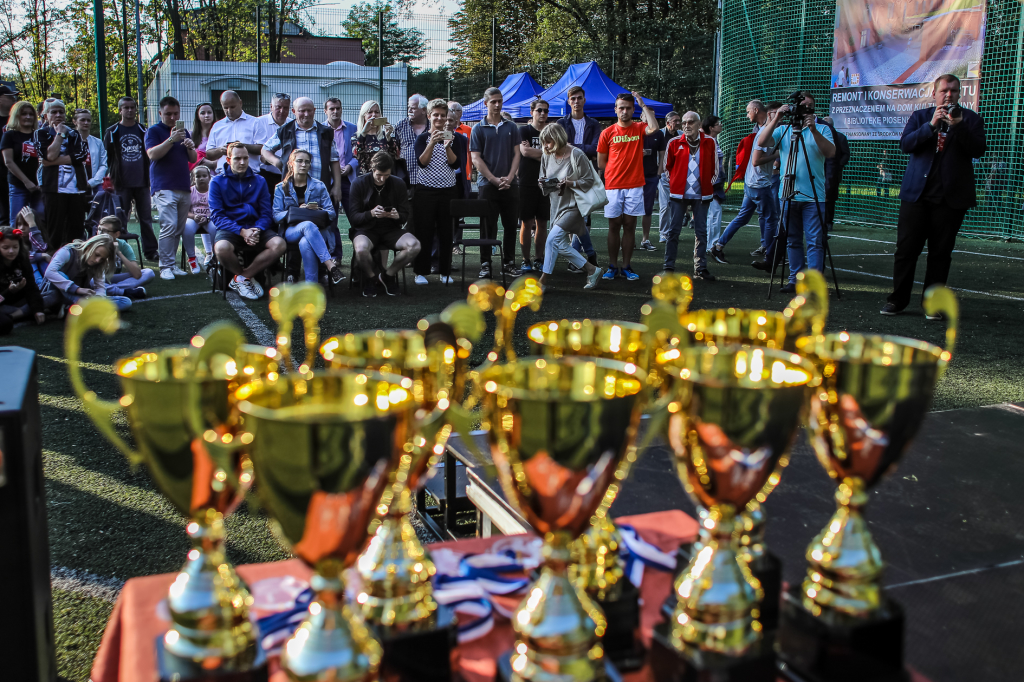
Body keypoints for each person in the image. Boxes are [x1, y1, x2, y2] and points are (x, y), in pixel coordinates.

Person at [881, 74, 986, 317]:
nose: (949, 95)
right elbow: (906, 145)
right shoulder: (920, 116)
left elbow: (978, 149)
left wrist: (958, 126)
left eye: (954, 91)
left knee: (940, 253)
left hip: (950, 199)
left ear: (960, 94)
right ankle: (897, 300)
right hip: (916, 196)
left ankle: (932, 305)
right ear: (934, 94)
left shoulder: (970, 119)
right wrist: (930, 126)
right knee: (906, 250)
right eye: (944, 91)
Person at [753, 90, 835, 294]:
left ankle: (814, 284)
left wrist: (813, 129)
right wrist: (776, 119)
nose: (802, 110)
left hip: (814, 195)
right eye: (800, 107)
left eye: (806, 106)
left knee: (815, 241)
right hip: (788, 193)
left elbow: (831, 153)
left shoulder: (823, 129)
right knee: (792, 240)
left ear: (813, 107)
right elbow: (762, 142)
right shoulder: (785, 129)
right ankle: (795, 279)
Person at [261, 97, 343, 270]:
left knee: (323, 225)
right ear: (294, 112)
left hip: (320, 190)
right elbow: (265, 150)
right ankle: (293, 271)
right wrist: (278, 163)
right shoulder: (285, 131)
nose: (305, 114)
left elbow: (334, 160)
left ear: (315, 110)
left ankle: (321, 271)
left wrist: (336, 186)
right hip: (294, 190)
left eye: (309, 110)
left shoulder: (325, 132)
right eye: (301, 111)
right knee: (294, 225)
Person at [209, 142, 286, 300]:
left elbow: (266, 212)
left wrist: (257, 229)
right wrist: (242, 231)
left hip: (255, 227)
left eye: (245, 158)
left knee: (279, 244)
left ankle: (242, 278)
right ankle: (244, 278)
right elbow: (217, 216)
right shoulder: (216, 182)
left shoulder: (260, 181)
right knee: (221, 248)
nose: (243, 162)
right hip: (231, 228)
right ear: (228, 160)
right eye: (238, 159)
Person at [597, 91, 659, 281]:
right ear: (615, 110)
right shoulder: (607, 133)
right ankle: (612, 266)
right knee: (614, 225)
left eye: (628, 108)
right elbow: (601, 163)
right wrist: (616, 174)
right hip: (614, 186)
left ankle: (626, 266)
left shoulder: (640, 127)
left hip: (635, 186)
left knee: (630, 225)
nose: (624, 111)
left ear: (633, 110)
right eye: (621, 108)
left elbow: (655, 128)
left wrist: (642, 102)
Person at [537, 122, 603, 290]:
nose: (545, 145)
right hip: (556, 205)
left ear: (558, 138)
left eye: (548, 141)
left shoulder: (576, 154)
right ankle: (592, 270)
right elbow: (542, 179)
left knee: (551, 240)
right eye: (544, 141)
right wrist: (544, 183)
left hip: (574, 206)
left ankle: (543, 281)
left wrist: (570, 182)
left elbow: (589, 181)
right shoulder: (546, 154)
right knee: (560, 244)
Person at [711, 100, 778, 265]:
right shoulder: (765, 131)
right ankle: (771, 256)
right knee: (771, 219)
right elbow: (756, 161)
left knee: (744, 217)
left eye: (748, 111)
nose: (747, 114)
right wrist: (777, 156)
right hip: (759, 184)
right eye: (777, 113)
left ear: (757, 110)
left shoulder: (762, 129)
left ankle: (718, 246)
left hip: (751, 183)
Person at [348, 152, 419, 297]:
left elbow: (405, 215)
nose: (382, 179)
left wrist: (397, 215)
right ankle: (371, 278)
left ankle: (387, 276)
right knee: (361, 249)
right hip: (366, 229)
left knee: (415, 245)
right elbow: (354, 218)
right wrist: (371, 213)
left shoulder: (398, 183)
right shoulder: (358, 183)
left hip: (390, 229)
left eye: (386, 175)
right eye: (379, 175)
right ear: (372, 169)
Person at [272, 149, 344, 285]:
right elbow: (276, 215)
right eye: (299, 161)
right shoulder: (281, 188)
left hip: (318, 232)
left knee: (305, 242)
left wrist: (316, 210)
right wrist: (297, 212)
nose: (303, 165)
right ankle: (330, 266)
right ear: (291, 163)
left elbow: (331, 213)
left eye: (307, 162)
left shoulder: (319, 186)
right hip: (291, 231)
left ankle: (311, 287)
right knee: (308, 225)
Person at [664, 110, 721, 279]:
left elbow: (715, 169)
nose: (686, 126)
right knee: (673, 231)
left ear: (698, 124)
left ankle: (700, 268)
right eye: (684, 123)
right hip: (678, 195)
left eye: (690, 122)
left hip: (702, 195)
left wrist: (705, 186)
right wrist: (676, 184)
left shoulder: (710, 142)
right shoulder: (674, 143)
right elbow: (668, 168)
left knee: (701, 232)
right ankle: (668, 267)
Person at [471, 87, 521, 279]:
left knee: (510, 226)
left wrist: (510, 177)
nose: (497, 104)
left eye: (500, 100)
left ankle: (508, 263)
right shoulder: (478, 128)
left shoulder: (511, 127)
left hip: (510, 185)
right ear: (486, 104)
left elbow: (517, 154)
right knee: (487, 226)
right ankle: (485, 264)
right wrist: (493, 179)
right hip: (487, 185)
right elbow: (476, 158)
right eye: (493, 101)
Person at [145, 96, 197, 279]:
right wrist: (171, 139)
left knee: (178, 228)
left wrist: (191, 147)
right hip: (164, 186)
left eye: (176, 113)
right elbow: (152, 154)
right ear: (160, 113)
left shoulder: (184, 132)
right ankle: (165, 266)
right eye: (168, 114)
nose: (173, 118)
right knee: (169, 225)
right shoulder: (154, 131)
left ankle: (172, 265)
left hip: (183, 186)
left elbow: (192, 159)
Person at [412, 99, 461, 285]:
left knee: (446, 233)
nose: (439, 118)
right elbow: (421, 163)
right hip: (425, 191)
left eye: (443, 115)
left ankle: (445, 271)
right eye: (436, 115)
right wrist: (431, 143)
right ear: (429, 116)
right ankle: (420, 272)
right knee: (423, 232)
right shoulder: (422, 138)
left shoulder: (452, 137)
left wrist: (447, 146)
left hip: (448, 191)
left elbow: (455, 164)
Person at [103, 96, 156, 260]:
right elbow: (108, 156)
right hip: (121, 184)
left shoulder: (143, 130)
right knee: (120, 221)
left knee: (146, 219)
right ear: (120, 110)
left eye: (132, 107)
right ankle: (118, 254)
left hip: (142, 183)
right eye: (126, 108)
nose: (130, 110)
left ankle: (151, 252)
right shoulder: (112, 132)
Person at [556, 86, 601, 268]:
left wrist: (573, 147)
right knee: (569, 213)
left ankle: (577, 256)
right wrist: (582, 147)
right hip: (565, 171)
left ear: (584, 100)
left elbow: (595, 148)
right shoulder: (560, 123)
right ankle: (587, 254)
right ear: (569, 101)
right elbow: (560, 147)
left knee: (584, 213)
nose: (576, 101)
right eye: (573, 98)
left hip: (587, 171)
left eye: (579, 98)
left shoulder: (594, 123)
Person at [39, 100, 90, 250]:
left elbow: (80, 156)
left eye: (61, 112)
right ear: (46, 115)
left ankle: (76, 264)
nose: (58, 115)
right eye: (53, 112)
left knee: (76, 230)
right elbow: (48, 156)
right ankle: (52, 264)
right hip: (53, 189)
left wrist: (51, 161)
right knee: (55, 230)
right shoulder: (41, 133)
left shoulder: (75, 134)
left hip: (76, 189)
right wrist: (60, 135)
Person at [43, 233, 132, 312]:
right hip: (57, 293)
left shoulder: (99, 264)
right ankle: (83, 307)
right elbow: (49, 272)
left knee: (125, 302)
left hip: (82, 297)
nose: (98, 260)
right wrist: (77, 289)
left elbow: (100, 287)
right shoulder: (68, 251)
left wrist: (98, 298)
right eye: (97, 255)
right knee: (61, 274)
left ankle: (81, 308)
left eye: (102, 259)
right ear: (89, 246)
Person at [517, 99, 549, 272]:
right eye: (539, 110)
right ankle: (525, 259)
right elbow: (525, 151)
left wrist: (537, 154)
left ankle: (539, 258)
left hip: (546, 182)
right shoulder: (524, 130)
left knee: (543, 223)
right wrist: (546, 152)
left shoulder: (551, 131)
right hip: (527, 181)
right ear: (532, 112)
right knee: (526, 223)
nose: (542, 114)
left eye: (545, 111)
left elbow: (556, 154)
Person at [0, 224, 50, 335]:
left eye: (15, 247)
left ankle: (26, 313)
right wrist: (9, 291)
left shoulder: (23, 260)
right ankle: (18, 315)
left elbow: (31, 286)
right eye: (5, 248)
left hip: (20, 302)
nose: (11, 251)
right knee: (5, 323)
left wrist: (37, 310)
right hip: (3, 304)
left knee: (50, 297)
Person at [2, 100, 45, 219]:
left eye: (31, 114)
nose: (28, 117)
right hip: (18, 185)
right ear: (16, 116)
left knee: (40, 219)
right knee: (17, 220)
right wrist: (27, 182)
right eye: (24, 114)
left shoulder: (39, 135)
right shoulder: (9, 135)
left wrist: (40, 182)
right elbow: (8, 162)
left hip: (39, 186)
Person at [94, 215, 153, 299]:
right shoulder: (92, 244)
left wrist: (119, 253)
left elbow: (137, 274)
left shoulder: (123, 245)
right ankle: (124, 291)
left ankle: (110, 289)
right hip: (99, 279)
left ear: (116, 234)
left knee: (148, 273)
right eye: (99, 229)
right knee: (92, 281)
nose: (100, 234)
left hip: (113, 278)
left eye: (105, 231)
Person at [205, 91, 261, 174]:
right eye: (225, 108)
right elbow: (209, 153)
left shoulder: (255, 122)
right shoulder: (217, 126)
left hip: (250, 174)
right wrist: (221, 150)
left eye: (232, 107)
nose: (229, 111)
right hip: (223, 174)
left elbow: (262, 148)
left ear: (240, 103)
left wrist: (241, 147)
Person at [323, 97, 359, 212]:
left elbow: (359, 152)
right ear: (325, 111)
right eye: (331, 109)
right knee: (330, 216)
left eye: (338, 108)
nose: (335, 111)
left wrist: (350, 166)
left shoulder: (353, 129)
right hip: (329, 179)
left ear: (341, 109)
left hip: (348, 178)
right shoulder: (320, 130)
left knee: (354, 212)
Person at [638, 114, 667, 252]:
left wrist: (659, 173)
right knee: (629, 210)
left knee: (647, 209)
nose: (649, 117)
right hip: (633, 176)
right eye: (646, 115)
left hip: (651, 176)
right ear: (641, 116)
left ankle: (645, 239)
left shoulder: (659, 134)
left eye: (652, 115)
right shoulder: (635, 129)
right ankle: (628, 239)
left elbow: (662, 154)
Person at [351, 100, 400, 176]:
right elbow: (356, 155)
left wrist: (388, 138)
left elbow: (395, 156)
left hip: (385, 178)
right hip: (365, 178)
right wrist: (363, 133)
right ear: (363, 115)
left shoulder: (387, 135)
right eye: (370, 112)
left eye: (377, 112)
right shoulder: (356, 137)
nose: (373, 115)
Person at [253, 93, 291, 188]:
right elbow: (258, 147)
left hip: (288, 175)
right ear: (271, 107)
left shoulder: (292, 124)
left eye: (285, 108)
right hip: (265, 174)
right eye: (278, 107)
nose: (282, 111)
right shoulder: (259, 122)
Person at [701, 115, 726, 252]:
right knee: (714, 213)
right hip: (710, 184)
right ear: (711, 127)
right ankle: (710, 245)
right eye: (718, 123)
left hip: (716, 183)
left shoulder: (714, 141)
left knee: (714, 213)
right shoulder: (706, 141)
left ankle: (710, 243)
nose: (720, 125)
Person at [657, 111, 682, 245]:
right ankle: (663, 233)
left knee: (677, 204)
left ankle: (673, 232)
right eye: (675, 121)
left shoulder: (682, 135)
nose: (678, 123)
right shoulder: (660, 134)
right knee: (665, 205)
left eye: (679, 120)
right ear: (668, 123)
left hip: (679, 175)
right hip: (663, 175)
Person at [395, 94, 429, 190]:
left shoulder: (432, 127)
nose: (409, 110)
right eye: (408, 107)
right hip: (405, 179)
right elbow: (394, 147)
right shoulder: (401, 125)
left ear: (424, 110)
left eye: (413, 108)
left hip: (428, 179)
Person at [821, 115, 849, 231]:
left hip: (833, 174)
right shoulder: (819, 136)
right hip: (819, 173)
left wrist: (837, 166)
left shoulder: (840, 137)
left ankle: (828, 222)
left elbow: (846, 154)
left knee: (830, 198)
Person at [184, 165, 214, 267]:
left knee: (215, 227)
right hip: (194, 218)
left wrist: (208, 218)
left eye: (204, 176)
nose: (201, 178)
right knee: (186, 228)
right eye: (198, 176)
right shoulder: (190, 191)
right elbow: (185, 211)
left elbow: (218, 210)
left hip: (210, 218)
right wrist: (194, 216)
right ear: (193, 178)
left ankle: (215, 255)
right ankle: (192, 258)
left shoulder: (213, 190)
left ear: (209, 177)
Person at [73, 109, 107, 194]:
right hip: (74, 185)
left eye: (88, 120)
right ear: (75, 122)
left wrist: (92, 182)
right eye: (82, 120)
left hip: (94, 185)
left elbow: (103, 165)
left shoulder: (98, 142)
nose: (86, 123)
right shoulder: (69, 141)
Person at [0, 84, 20, 225]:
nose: (14, 99)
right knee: (3, 213)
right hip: (1, 173)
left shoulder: (19, 121)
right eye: (10, 96)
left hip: (18, 174)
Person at [191, 102, 218, 172]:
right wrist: (210, 163)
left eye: (209, 112)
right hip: (198, 175)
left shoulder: (220, 134)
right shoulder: (191, 135)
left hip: (216, 173)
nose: (206, 115)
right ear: (198, 116)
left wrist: (213, 164)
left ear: (213, 114)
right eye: (202, 113)